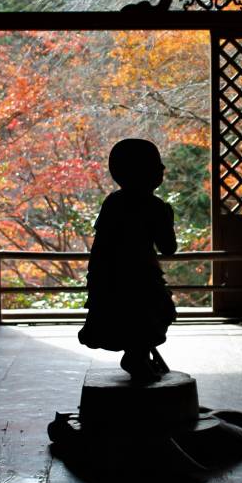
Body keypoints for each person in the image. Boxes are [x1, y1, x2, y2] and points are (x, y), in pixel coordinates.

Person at [78, 138, 177, 382]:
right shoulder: (154, 206)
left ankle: (138, 356)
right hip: (141, 276)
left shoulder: (113, 201)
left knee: (128, 319)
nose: (162, 169)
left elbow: (101, 245)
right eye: (157, 164)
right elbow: (168, 248)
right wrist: (167, 218)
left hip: (109, 276)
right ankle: (137, 356)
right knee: (153, 315)